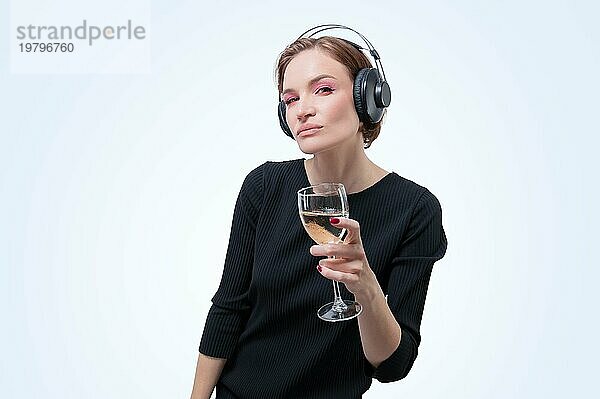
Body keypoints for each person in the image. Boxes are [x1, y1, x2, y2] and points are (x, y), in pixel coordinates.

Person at [190, 25, 448, 399]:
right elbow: (229, 308)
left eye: (323, 89)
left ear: (368, 99)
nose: (303, 110)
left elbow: (393, 366)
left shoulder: (414, 209)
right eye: (291, 99)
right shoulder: (263, 186)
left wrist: (366, 289)